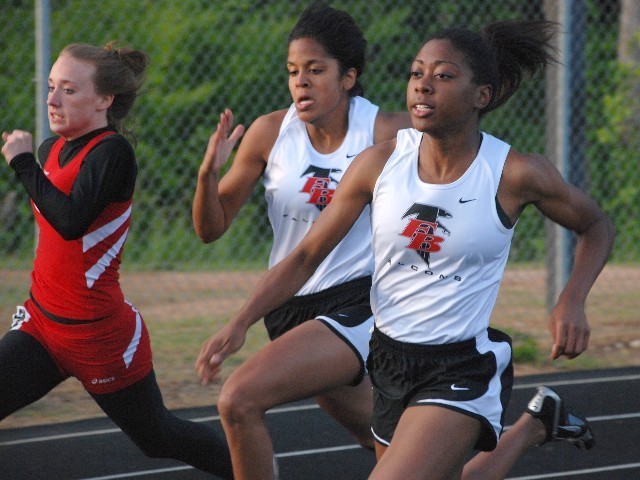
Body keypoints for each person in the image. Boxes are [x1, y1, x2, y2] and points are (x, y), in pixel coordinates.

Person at [196, 14, 614, 480]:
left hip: (461, 365)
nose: (423, 86)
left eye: (443, 75)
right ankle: (534, 426)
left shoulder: (513, 172)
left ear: (482, 96)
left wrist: (572, 298)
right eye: (417, 73)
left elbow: (596, 225)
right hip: (390, 360)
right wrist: (239, 323)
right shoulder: (378, 164)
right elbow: (305, 256)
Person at [1, 42, 234, 479]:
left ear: (104, 100)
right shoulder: (51, 150)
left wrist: (21, 162)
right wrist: (32, 161)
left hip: (99, 340)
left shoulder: (112, 153)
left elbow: (71, 221)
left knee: (158, 439)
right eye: (51, 87)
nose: (52, 100)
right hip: (42, 326)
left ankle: (252, 469)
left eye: (68, 90)